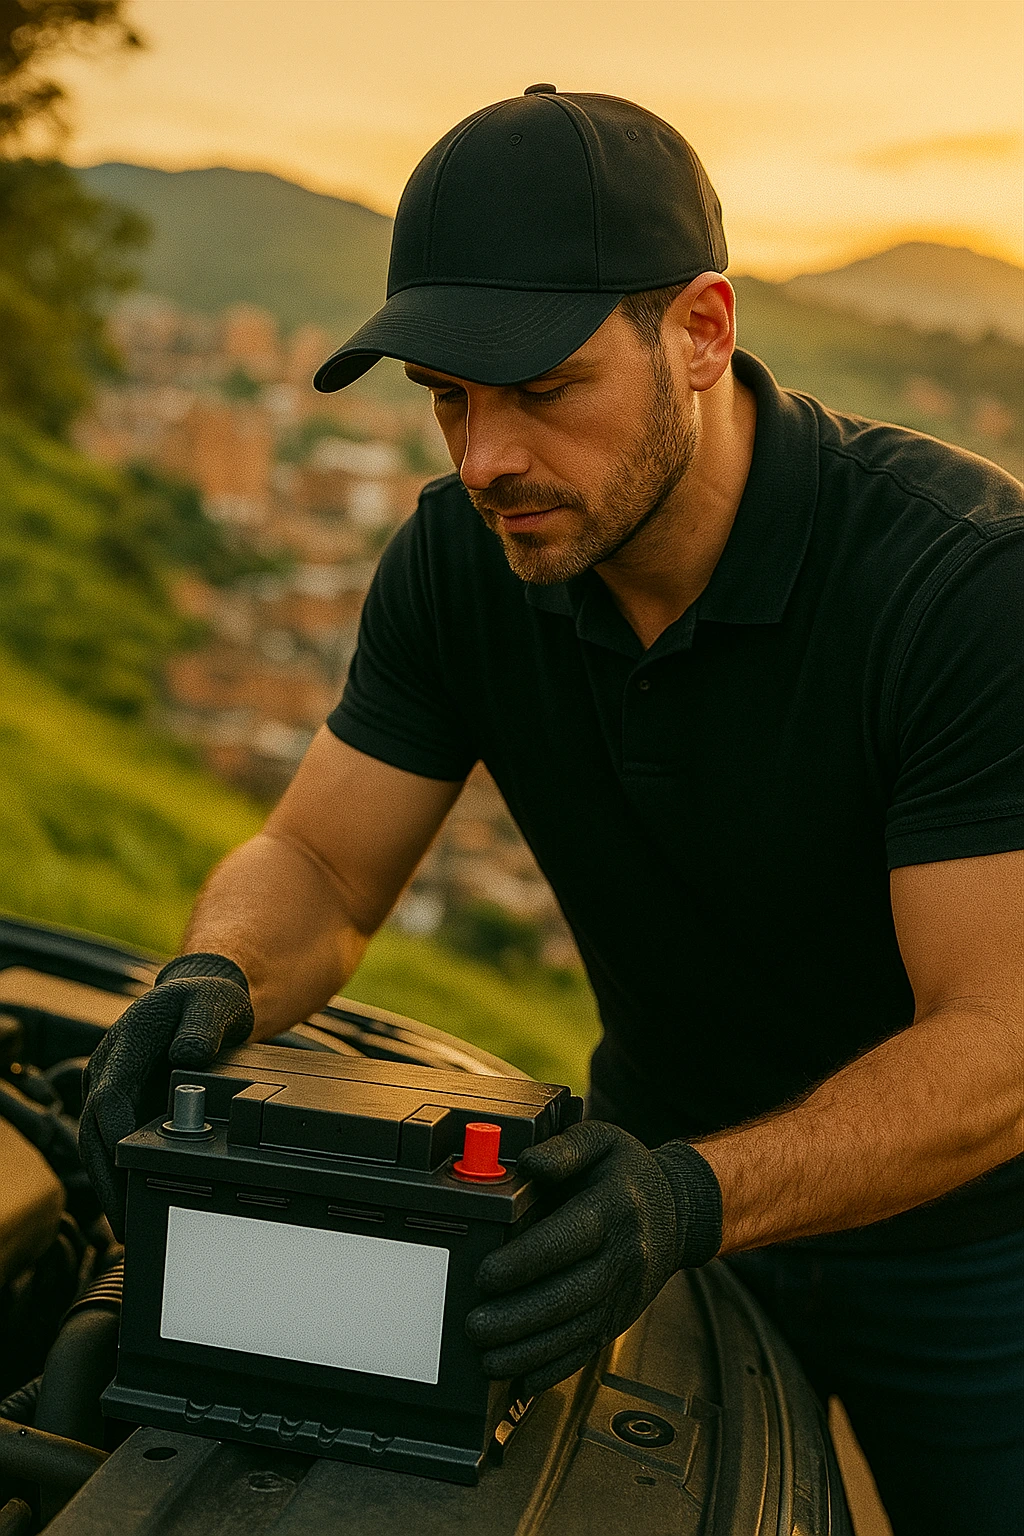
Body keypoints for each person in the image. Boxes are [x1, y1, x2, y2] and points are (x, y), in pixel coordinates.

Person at [79, 88, 1023, 1534]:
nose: (482, 458)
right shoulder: (463, 561)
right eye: (448, 396)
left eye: (541, 388)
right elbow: (323, 864)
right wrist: (212, 974)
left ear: (702, 330)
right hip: (637, 1202)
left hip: (970, 1251)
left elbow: (1000, 1039)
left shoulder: (960, 586)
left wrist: (694, 1196)